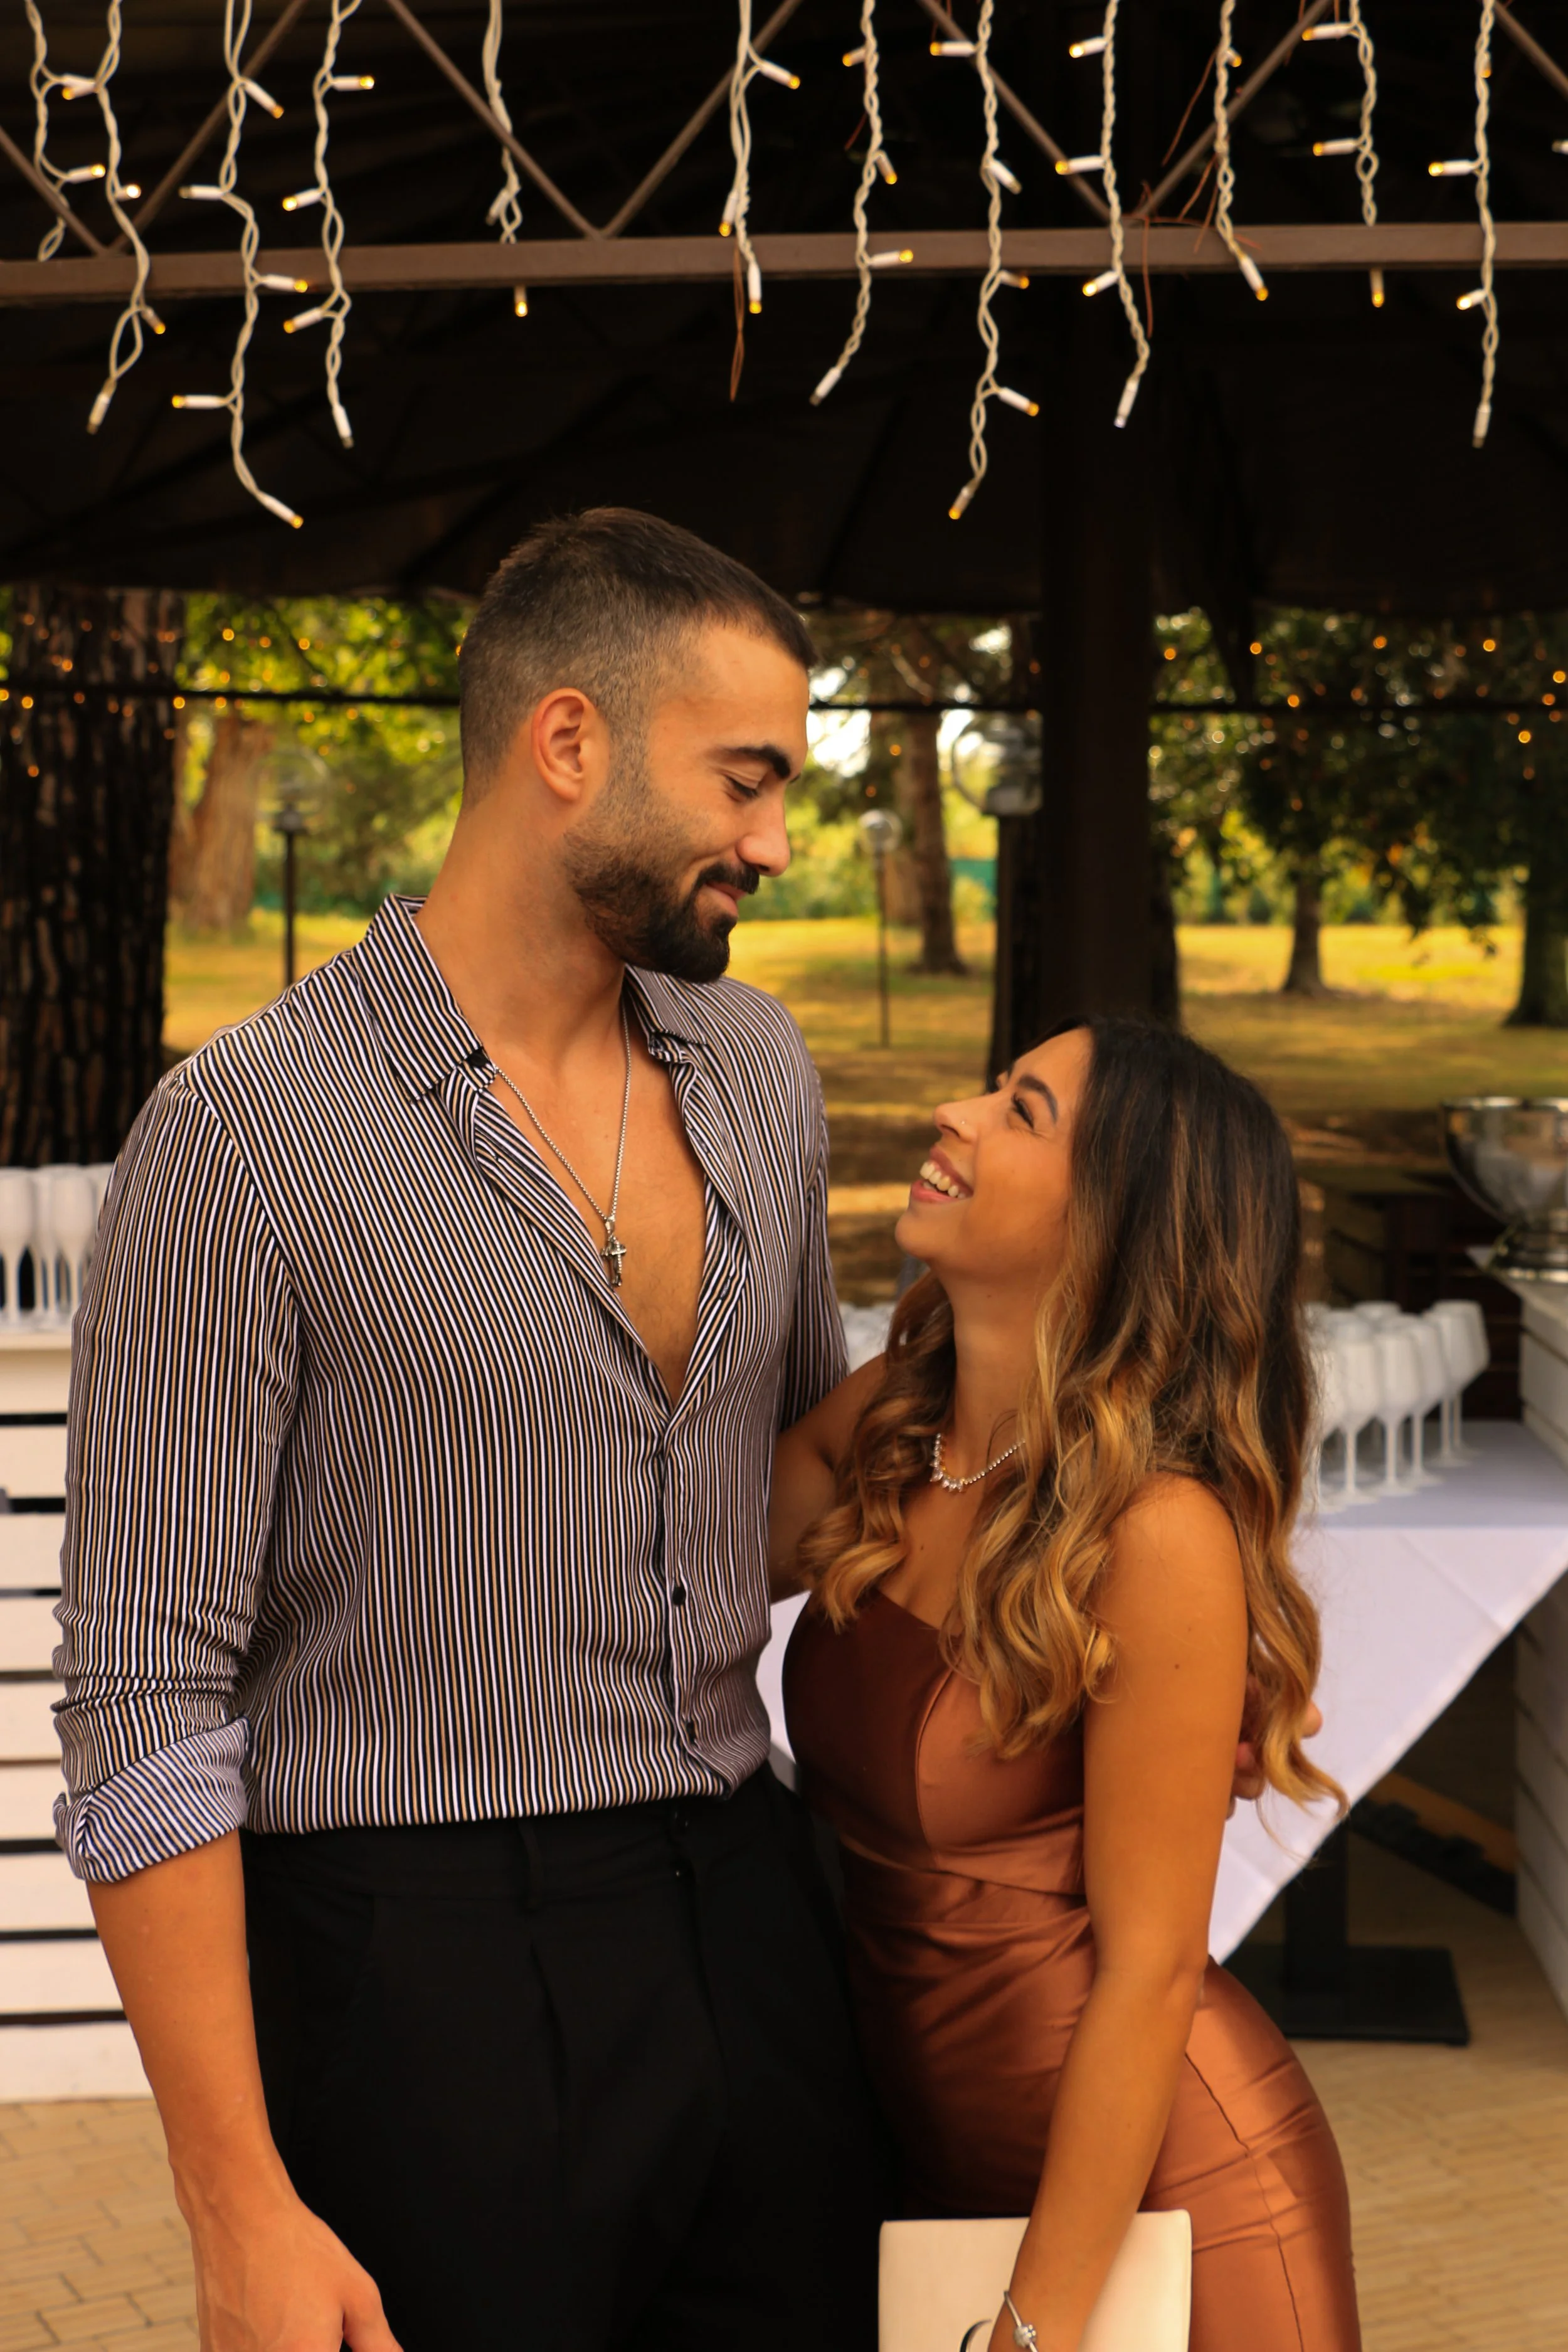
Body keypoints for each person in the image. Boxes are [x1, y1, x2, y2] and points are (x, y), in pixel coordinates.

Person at [53, 509, 890, 2351]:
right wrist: (236, 2200)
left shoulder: (752, 1069)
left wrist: (1048, 1319)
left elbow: (780, 1504)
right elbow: (142, 1697)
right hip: (418, 1965)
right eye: (745, 779)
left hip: (750, 1904)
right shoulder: (245, 1131)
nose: (773, 839)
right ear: (567, 742)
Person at [773, 1017, 1362, 2352]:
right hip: (941, 2174)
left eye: (1020, 1109)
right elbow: (657, 1553)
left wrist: (1029, 2330)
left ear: (1116, 1219)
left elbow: (1149, 1977)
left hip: (1165, 2209)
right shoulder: (899, 1420)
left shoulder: (1155, 1535)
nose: (953, 1111)